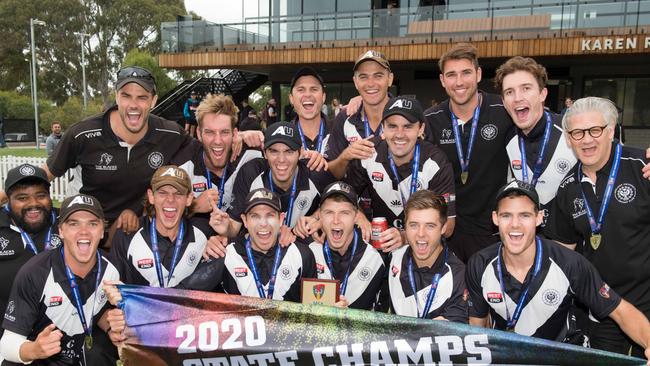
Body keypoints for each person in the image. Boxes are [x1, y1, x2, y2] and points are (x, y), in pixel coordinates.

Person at [5, 66, 193, 248]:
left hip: (133, 233)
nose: (133, 105)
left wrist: (198, 202)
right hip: (85, 233)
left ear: (153, 101)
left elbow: (205, 150)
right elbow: (41, 176)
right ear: (117, 97)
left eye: (142, 97)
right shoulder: (83, 134)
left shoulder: (169, 133)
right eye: (126, 96)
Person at [467, 180, 650, 360]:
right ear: (495, 218)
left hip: (563, 358)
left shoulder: (569, 264)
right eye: (506, 215)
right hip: (509, 359)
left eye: (525, 215)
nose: (515, 224)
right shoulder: (479, 264)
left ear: (539, 218)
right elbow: (477, 326)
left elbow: (620, 310)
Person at [546, 97, 650, 358]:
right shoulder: (567, 187)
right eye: (577, 133)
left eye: (595, 130)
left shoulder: (643, 168)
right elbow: (563, 256)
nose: (587, 140)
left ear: (611, 131)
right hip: (601, 309)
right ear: (568, 139)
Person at [0, 194, 121, 365]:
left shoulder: (112, 269)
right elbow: (6, 345)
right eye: (73, 224)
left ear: (102, 231)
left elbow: (96, 309)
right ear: (61, 231)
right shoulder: (35, 273)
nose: (84, 231)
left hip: (78, 352)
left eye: (92, 224)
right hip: (38, 357)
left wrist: (113, 327)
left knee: (98, 352)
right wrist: (35, 349)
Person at [424, 43, 512, 262]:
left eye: (466, 73)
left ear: (478, 74)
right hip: (448, 231)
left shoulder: (503, 110)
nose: (459, 82)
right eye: (451, 75)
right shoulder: (431, 119)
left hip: (491, 232)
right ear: (443, 80)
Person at [345, 96, 456, 251]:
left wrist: (404, 236)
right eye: (392, 126)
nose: (399, 134)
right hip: (379, 247)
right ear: (383, 127)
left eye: (408, 126)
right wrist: (358, 214)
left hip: (422, 248)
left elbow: (448, 226)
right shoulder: (368, 153)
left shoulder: (436, 163)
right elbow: (344, 195)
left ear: (421, 129)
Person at [179, 188, 317, 302]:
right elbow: (183, 294)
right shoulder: (226, 254)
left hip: (288, 335)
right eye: (255, 216)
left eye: (270, 215)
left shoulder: (302, 255)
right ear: (245, 221)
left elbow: (317, 309)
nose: (263, 223)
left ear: (281, 219)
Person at [494, 56, 576, 221]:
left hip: (572, 240)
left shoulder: (572, 129)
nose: (517, 98)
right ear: (503, 101)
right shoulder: (508, 138)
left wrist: (643, 159)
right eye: (509, 92)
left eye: (526, 88)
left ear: (542, 94)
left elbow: (610, 153)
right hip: (531, 238)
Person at [213, 122, 327, 239]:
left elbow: (340, 206)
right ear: (265, 153)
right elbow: (233, 229)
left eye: (289, 151)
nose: (281, 159)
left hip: (299, 248)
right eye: (274, 151)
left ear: (301, 152)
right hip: (259, 249)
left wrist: (316, 217)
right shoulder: (251, 172)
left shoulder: (315, 171)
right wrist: (225, 228)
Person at [109, 165, 212, 288]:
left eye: (178, 194)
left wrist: (222, 239)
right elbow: (114, 287)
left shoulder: (205, 233)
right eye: (162, 193)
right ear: (151, 196)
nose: (170, 199)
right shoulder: (127, 236)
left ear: (189, 199)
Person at [173, 94, 262, 217]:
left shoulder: (251, 155)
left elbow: (288, 154)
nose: (218, 141)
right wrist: (194, 206)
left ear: (234, 133)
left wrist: (263, 138)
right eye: (209, 132)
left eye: (225, 132)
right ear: (199, 133)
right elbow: (160, 214)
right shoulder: (183, 167)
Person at [302, 181, 384, 310]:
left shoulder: (379, 251)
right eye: (329, 212)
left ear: (356, 216)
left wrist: (402, 237)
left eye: (344, 213)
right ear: (320, 216)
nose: (336, 220)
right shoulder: (305, 249)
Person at [388, 190, 467, 322]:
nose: (421, 234)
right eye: (414, 225)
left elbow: (458, 331)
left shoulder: (458, 274)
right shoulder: (393, 256)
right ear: (405, 227)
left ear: (443, 228)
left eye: (430, 226)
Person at [0, 164, 59, 338]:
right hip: (7, 332)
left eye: (41, 196)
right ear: (8, 201)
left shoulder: (68, 221)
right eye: (22, 197)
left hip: (60, 332)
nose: (33, 204)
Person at [326, 50, 394, 181]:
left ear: (389, 79)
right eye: (363, 77)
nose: (370, 83)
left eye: (378, 76)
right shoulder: (344, 118)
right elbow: (331, 172)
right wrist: (345, 156)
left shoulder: (407, 117)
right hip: (354, 200)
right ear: (355, 82)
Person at [288, 67, 333, 157]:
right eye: (301, 90)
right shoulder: (283, 136)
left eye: (314, 89)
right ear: (291, 98)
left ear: (323, 97)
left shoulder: (340, 131)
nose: (308, 95)